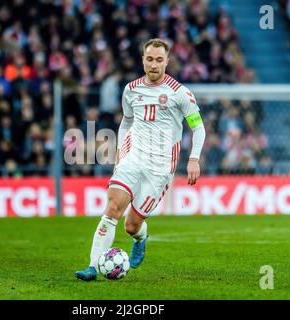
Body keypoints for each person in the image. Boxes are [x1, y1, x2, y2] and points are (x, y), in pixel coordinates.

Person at [75, 38, 206, 281]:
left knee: (131, 225)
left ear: (167, 61)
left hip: (160, 168)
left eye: (159, 60)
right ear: (143, 60)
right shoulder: (131, 89)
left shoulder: (180, 93)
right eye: (149, 59)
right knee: (112, 208)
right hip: (133, 158)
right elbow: (126, 121)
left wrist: (194, 159)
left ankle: (141, 238)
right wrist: (120, 153)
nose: (154, 64)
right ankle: (92, 267)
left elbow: (198, 128)